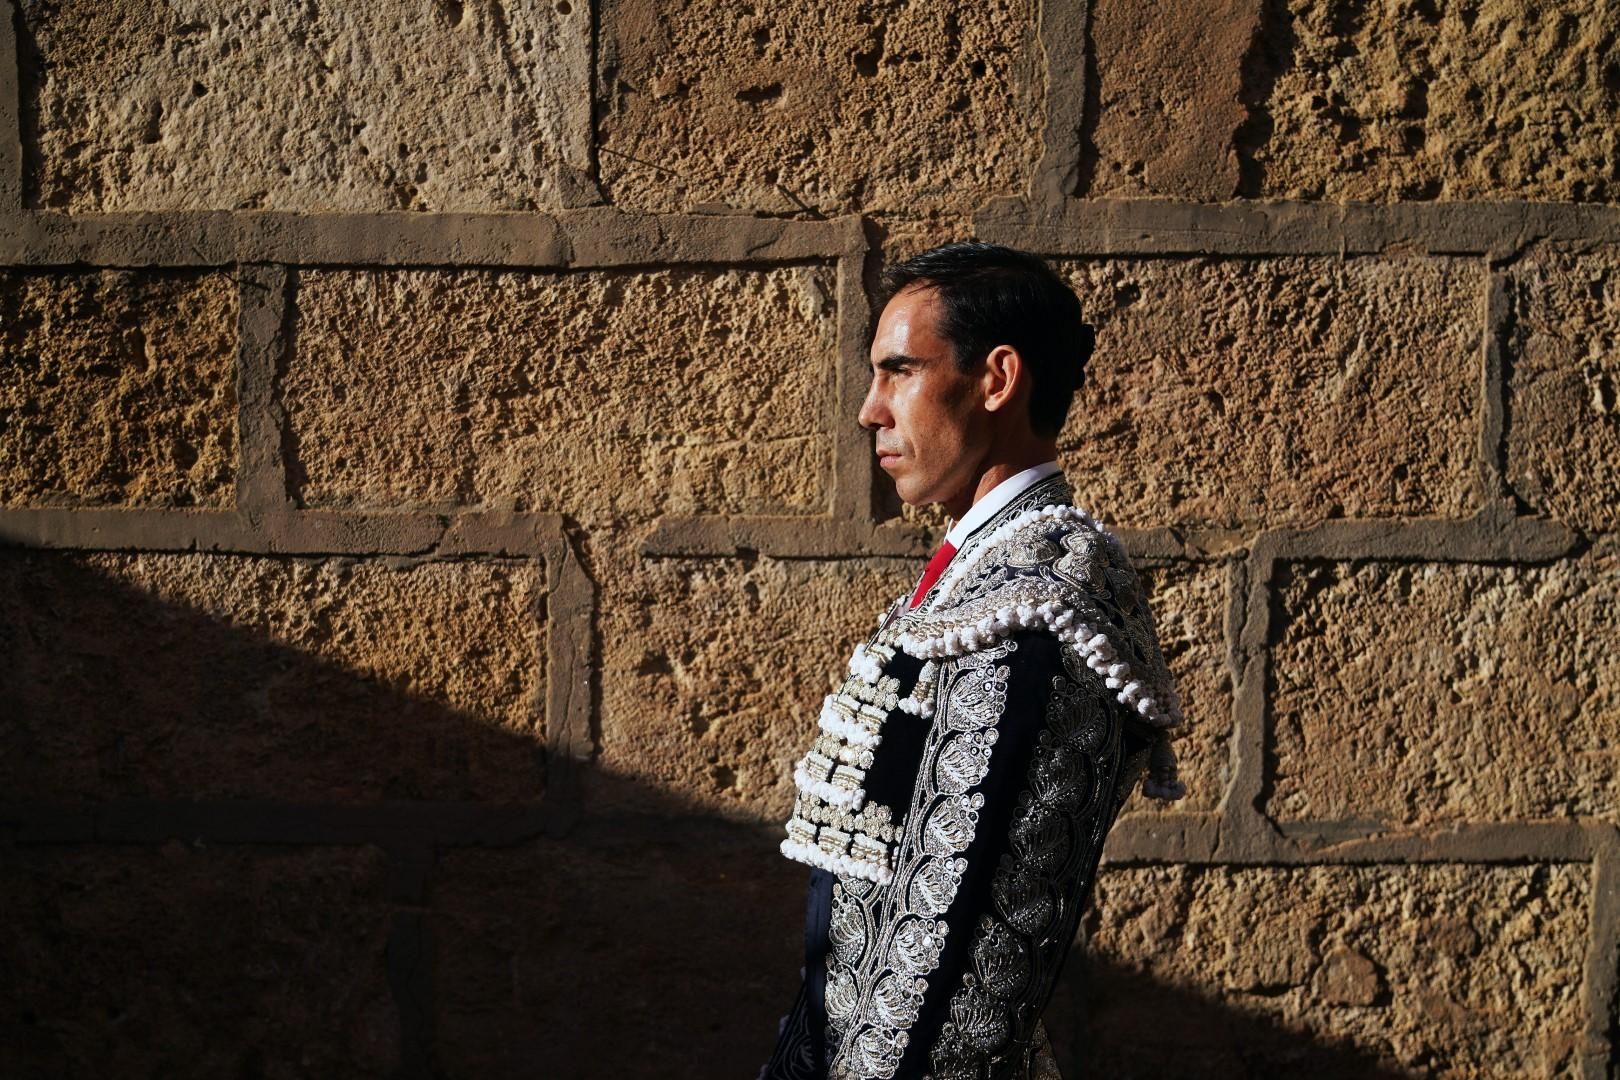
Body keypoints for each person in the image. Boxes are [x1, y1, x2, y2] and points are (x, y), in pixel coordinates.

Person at [760, 242, 1185, 1080]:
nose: (869, 410)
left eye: (900, 372)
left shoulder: (1032, 597)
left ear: (996, 380)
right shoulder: (982, 579)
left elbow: (965, 940)